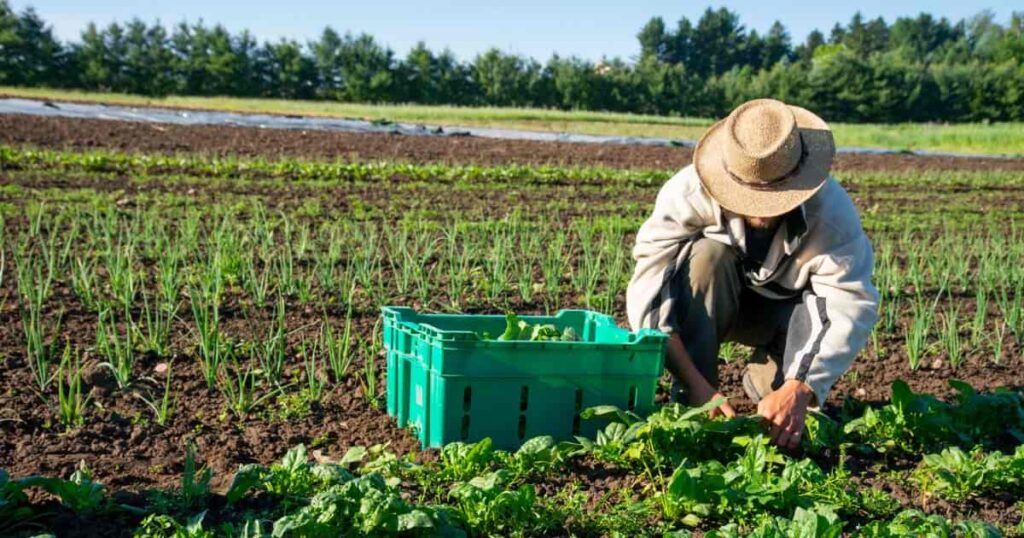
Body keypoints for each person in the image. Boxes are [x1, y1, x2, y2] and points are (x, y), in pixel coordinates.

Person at [625, 98, 879, 449]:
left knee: (782, 414)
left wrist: (800, 387)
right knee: (706, 258)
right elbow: (650, 292)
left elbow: (848, 303)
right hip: (713, 301)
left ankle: (770, 379)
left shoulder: (831, 214)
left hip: (782, 315)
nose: (760, 212)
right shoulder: (687, 192)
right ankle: (693, 398)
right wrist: (698, 387)